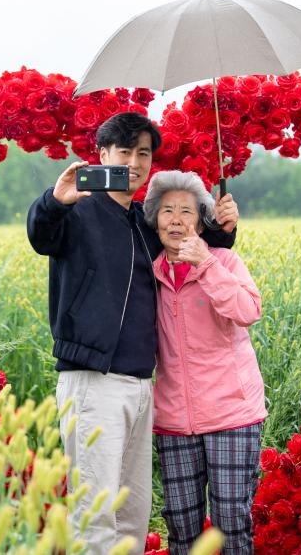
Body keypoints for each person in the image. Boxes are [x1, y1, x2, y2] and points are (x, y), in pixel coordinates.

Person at [26, 112, 239, 553]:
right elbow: (41, 235)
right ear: (102, 155)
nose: (135, 162)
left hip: (142, 386)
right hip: (93, 381)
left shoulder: (144, 224)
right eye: (125, 151)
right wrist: (54, 199)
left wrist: (223, 229)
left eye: (144, 153)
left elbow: (192, 248)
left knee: (133, 514)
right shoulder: (78, 211)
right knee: (96, 511)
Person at [142, 170, 266, 555]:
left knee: (231, 523)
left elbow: (247, 310)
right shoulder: (151, 273)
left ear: (201, 221)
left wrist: (205, 265)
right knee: (181, 527)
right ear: (154, 220)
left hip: (232, 414)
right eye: (166, 211)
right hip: (175, 421)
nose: (176, 220)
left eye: (186, 212)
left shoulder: (224, 261)